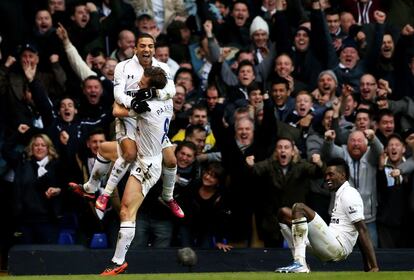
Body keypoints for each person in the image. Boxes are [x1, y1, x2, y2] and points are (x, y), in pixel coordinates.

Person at [69, 33, 183, 219]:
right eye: (142, 46)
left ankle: (168, 197)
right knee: (129, 153)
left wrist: (152, 94)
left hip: (151, 120)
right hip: (129, 118)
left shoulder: (162, 67)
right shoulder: (123, 67)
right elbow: (118, 96)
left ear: (154, 48)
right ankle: (104, 194)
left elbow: (170, 91)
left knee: (171, 160)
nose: (147, 49)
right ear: (135, 48)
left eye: (150, 46)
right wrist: (134, 103)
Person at [100, 65, 174, 275]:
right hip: (150, 157)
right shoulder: (165, 100)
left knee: (127, 211)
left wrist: (119, 94)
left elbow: (116, 111)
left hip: (147, 164)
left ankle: (118, 262)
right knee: (106, 150)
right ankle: (117, 262)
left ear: (150, 87)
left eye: (142, 82)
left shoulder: (146, 106)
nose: (139, 83)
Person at [274, 158, 379, 273]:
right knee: (283, 213)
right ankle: (299, 262)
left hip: (338, 247)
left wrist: (373, 266)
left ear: (343, 176)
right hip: (327, 244)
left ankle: (299, 263)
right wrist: (366, 266)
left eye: (331, 174)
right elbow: (357, 231)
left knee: (300, 208)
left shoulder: (349, 194)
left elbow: (361, 229)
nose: (327, 178)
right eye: (326, 175)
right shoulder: (339, 194)